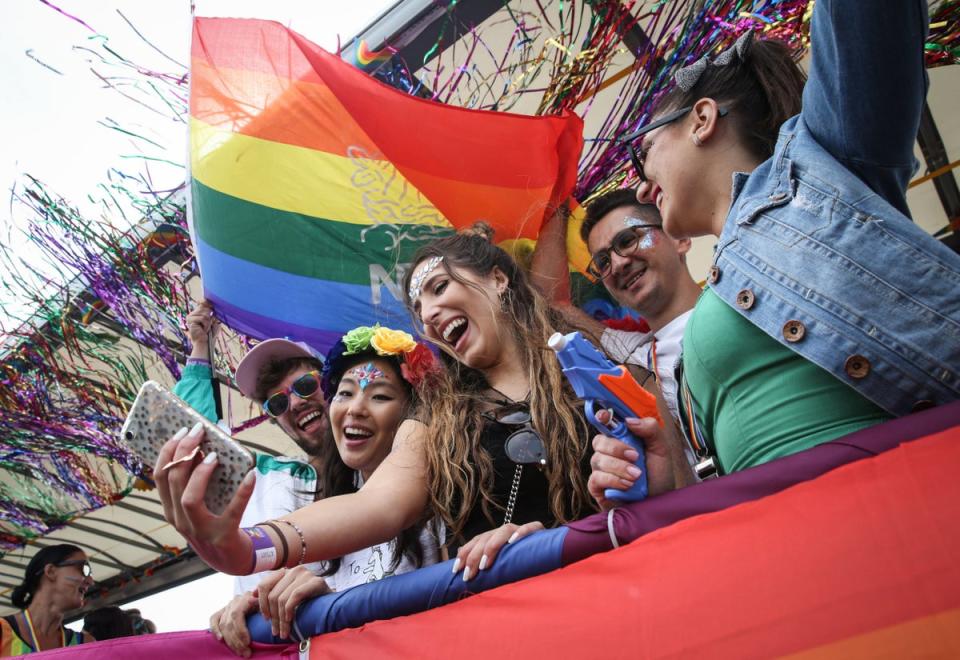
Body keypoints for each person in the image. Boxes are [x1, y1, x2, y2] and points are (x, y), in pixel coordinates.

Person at [156, 227, 667, 596]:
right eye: (419, 310)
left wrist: (637, 488)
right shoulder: (439, 420)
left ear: (498, 278)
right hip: (516, 623)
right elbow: (372, 508)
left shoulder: (612, 368)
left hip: (638, 595)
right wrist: (246, 549)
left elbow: (684, 493)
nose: (429, 314)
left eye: (439, 288)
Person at [591, 0, 960, 499]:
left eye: (645, 152)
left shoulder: (823, 174)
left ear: (701, 119)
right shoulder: (717, 293)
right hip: (793, 548)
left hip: (907, 507)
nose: (640, 188)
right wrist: (665, 480)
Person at [209, 324, 443, 654]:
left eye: (305, 385)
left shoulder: (444, 491)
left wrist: (241, 548)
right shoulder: (309, 503)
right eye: (346, 393)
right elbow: (290, 591)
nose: (355, 408)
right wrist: (252, 606)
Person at [175, 300, 329, 593]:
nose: (295, 403)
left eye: (306, 385)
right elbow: (193, 432)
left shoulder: (383, 468)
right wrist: (199, 346)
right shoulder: (264, 479)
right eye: (278, 403)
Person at [533, 189, 702, 423]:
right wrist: (558, 197)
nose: (618, 263)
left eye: (627, 240)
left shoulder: (740, 305)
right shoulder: (637, 360)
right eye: (603, 262)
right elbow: (551, 304)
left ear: (678, 238)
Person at [1, 545, 94, 655]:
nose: (91, 581)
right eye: (84, 569)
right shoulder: (3, 632)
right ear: (51, 571)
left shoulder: (85, 645)